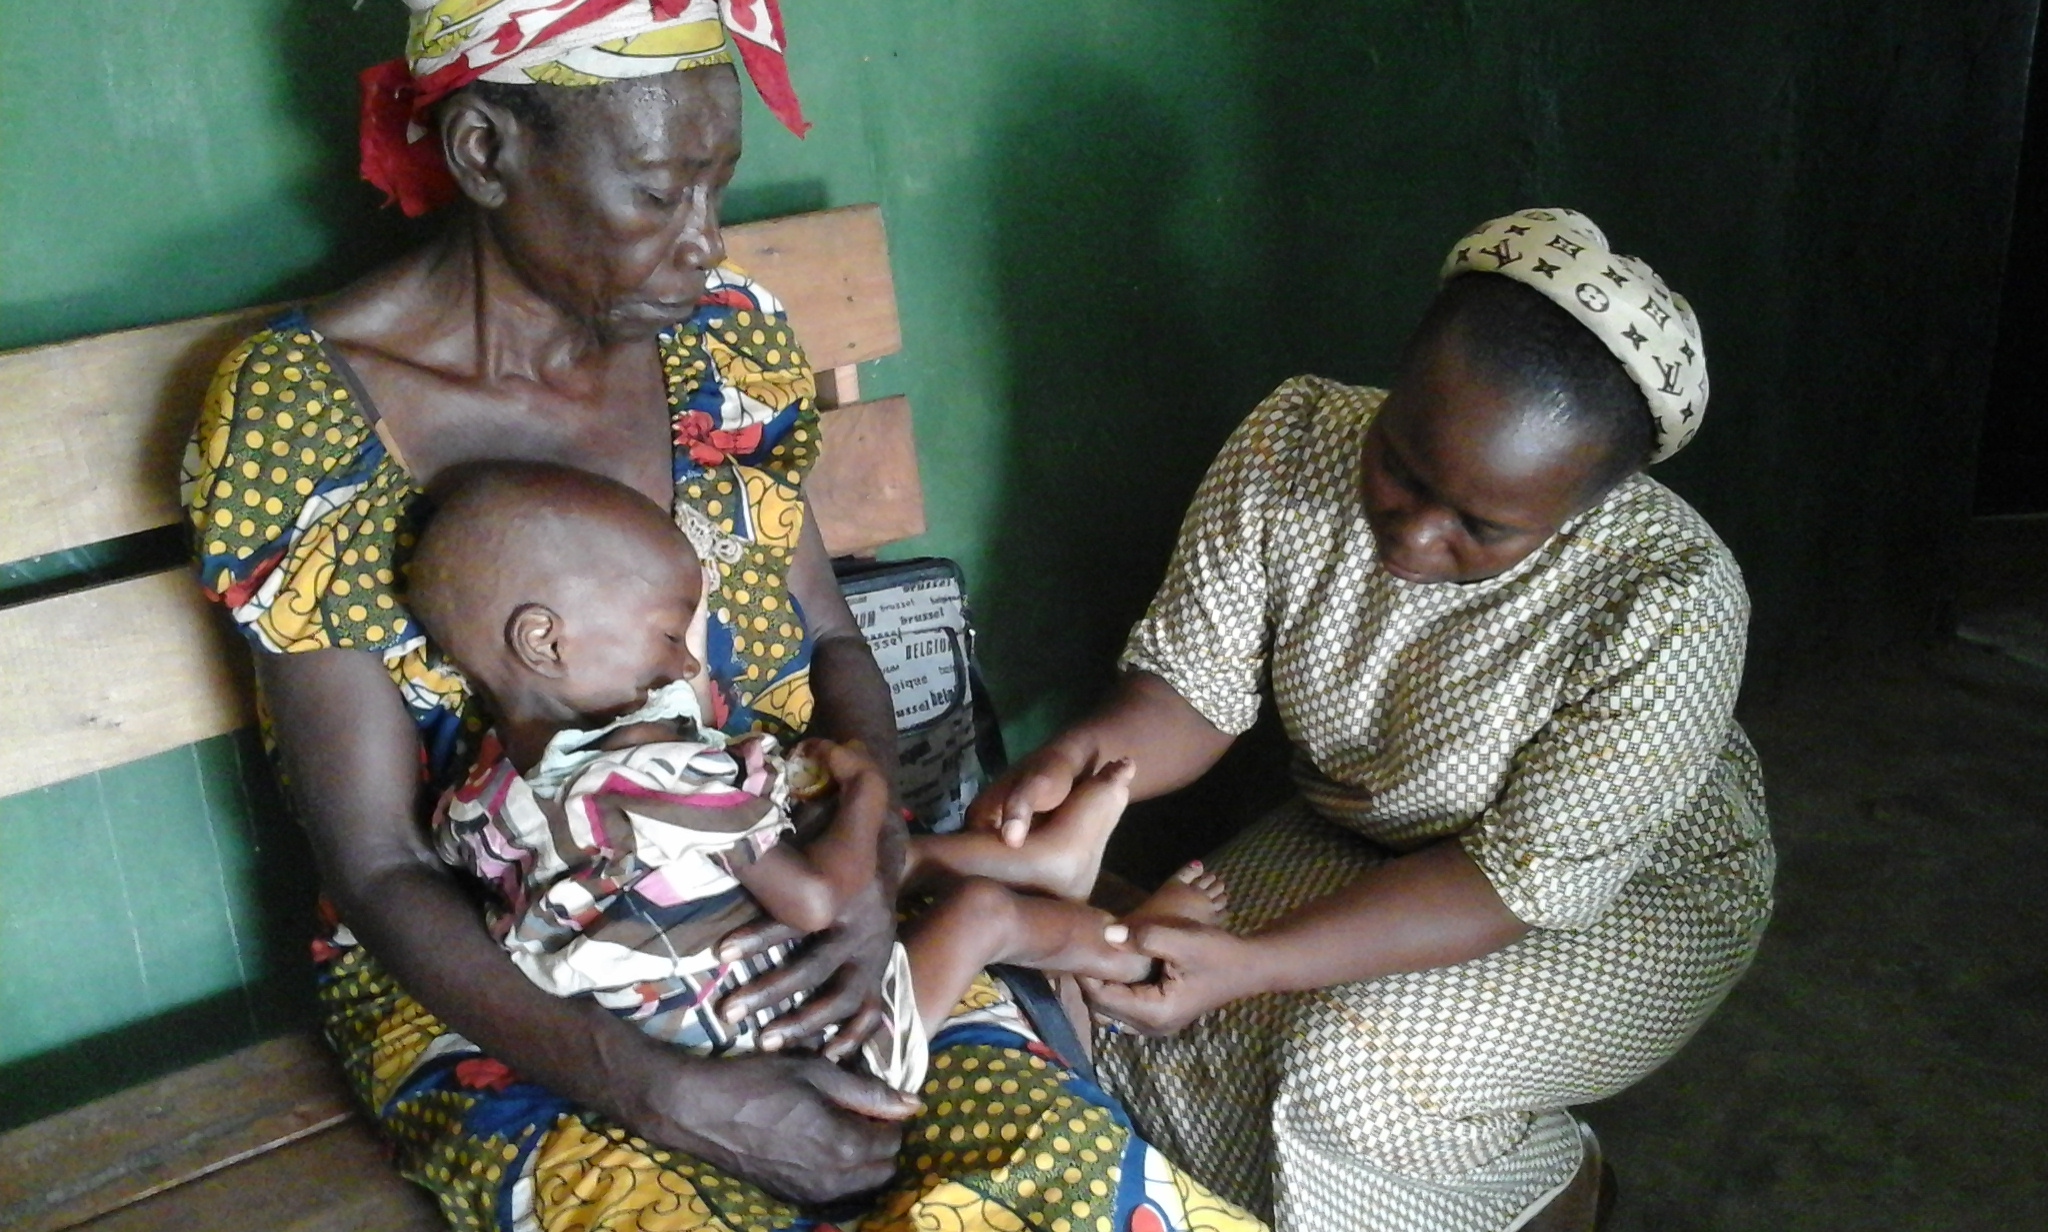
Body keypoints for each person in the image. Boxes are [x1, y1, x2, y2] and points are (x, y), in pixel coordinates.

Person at [181, 3, 1263, 1229]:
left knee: (1059, 1172)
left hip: (796, 901)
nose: (705, 244)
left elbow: (834, 644)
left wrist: (868, 869)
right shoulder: (300, 415)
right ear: (484, 152)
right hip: (525, 983)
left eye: (717, 186)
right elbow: (376, 863)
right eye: (656, 193)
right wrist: (664, 1092)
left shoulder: (720, 342)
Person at [971, 208, 1776, 1232]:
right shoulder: (1294, 436)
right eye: (1399, 464)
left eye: (1481, 527)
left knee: (1343, 1065)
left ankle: (1552, 1184)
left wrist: (1259, 963)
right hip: (1371, 830)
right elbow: (1187, 691)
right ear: (1396, 383)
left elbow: (1512, 878)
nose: (1414, 527)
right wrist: (1079, 763)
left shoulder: (1667, 593)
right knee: (1143, 1014)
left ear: (1581, 508)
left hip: (1614, 894)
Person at [408, 461, 1226, 1084]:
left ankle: (1042, 863)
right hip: (820, 1046)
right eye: (666, 635)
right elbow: (819, 900)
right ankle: (1142, 956)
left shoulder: (482, 799)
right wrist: (870, 792)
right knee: (980, 916)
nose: (686, 658)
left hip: (683, 1027)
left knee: (834, 832)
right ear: (547, 642)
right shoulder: (660, 783)